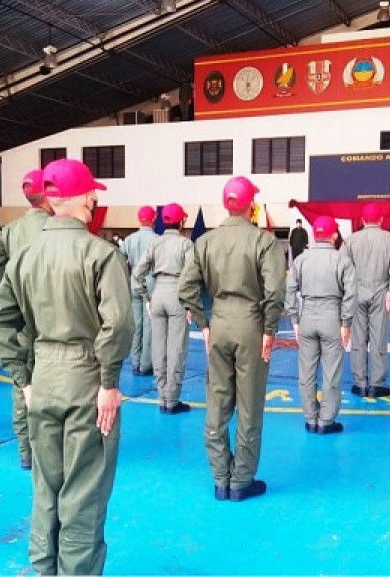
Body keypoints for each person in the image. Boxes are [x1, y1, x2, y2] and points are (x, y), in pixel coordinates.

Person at [0, 158, 133, 575]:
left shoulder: (24, 257)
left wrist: (24, 378)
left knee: (46, 488)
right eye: (91, 193)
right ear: (83, 197)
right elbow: (118, 323)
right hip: (86, 380)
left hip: (43, 379)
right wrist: (108, 382)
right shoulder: (101, 254)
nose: (94, 199)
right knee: (84, 491)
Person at [178, 175, 286, 502]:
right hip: (251, 325)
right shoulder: (263, 242)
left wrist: (204, 324)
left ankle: (220, 477)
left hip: (220, 323)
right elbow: (275, 291)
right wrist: (269, 330)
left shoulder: (205, 242)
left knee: (217, 401)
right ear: (251, 205)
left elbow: (186, 288)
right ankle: (241, 481)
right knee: (250, 404)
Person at [0, 169, 53, 470]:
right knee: (56, 379)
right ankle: (52, 449)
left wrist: (7, 292)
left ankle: (26, 451)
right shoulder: (58, 228)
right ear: (48, 194)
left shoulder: (11, 230)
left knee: (21, 382)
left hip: (20, 316)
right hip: (52, 315)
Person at [284, 216, 355, 434]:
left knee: (306, 372)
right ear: (334, 235)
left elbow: (289, 291)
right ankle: (326, 421)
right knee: (331, 373)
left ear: (314, 235)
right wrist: (346, 323)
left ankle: (310, 417)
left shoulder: (301, 260)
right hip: (332, 316)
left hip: (307, 317)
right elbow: (350, 294)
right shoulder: (342, 260)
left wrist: (295, 320)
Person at [340, 203, 390, 398]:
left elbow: (342, 267)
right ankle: (377, 384)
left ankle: (360, 383)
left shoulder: (351, 240)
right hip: (380, 290)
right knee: (378, 337)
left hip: (357, 291)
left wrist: (348, 289)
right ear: (381, 220)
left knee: (358, 338)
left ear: (362, 220)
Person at [133, 203, 194, 414]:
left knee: (158, 348)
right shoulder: (186, 244)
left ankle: (162, 398)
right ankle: (173, 400)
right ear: (182, 221)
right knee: (176, 348)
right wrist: (190, 304)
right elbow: (192, 276)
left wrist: (146, 298)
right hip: (177, 295)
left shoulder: (155, 244)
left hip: (157, 293)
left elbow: (137, 274)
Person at [120, 206, 159, 377]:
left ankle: (135, 362)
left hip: (133, 282)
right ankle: (145, 364)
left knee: (136, 324)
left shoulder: (129, 240)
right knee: (149, 324)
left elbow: (121, 260)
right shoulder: (157, 240)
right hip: (150, 283)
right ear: (153, 219)